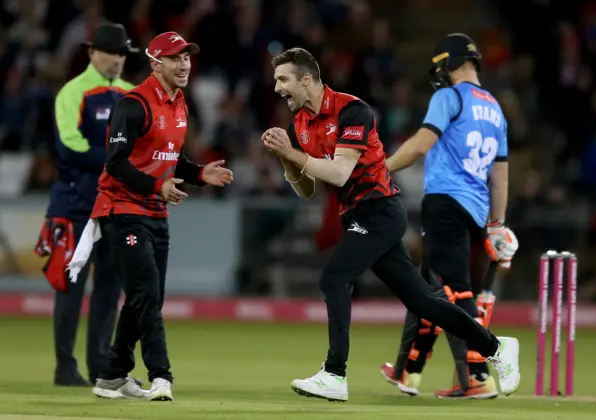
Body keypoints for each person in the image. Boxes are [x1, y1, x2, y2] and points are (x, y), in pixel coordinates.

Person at [261, 47, 520, 402]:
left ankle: (334, 373)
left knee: (334, 277)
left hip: (380, 210)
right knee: (422, 301)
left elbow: (339, 173)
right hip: (360, 214)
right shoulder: (301, 124)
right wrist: (286, 157)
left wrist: (292, 154)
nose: (277, 88)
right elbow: (306, 189)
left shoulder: (353, 110)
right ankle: (496, 347)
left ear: (307, 79)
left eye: (283, 79)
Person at [78, 31, 233, 401]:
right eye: (175, 58)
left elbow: (169, 156)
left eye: (187, 58)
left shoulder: (180, 103)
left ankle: (113, 374)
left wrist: (198, 174)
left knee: (146, 297)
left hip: (155, 210)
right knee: (146, 293)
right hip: (123, 210)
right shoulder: (133, 104)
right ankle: (161, 375)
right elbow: (115, 164)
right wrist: (157, 187)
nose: (184, 65)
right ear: (155, 63)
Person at [376, 33, 519, 399]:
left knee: (454, 293)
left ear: (456, 63)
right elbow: (500, 179)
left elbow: (420, 146)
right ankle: (408, 371)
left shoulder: (448, 97)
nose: (440, 75)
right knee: (425, 290)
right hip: (476, 208)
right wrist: (498, 224)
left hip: (445, 203)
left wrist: (380, 168)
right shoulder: (496, 110)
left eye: (443, 67)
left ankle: (478, 373)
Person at [34, 23, 137, 386]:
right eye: (110, 52)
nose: (116, 59)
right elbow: (68, 146)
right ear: (92, 53)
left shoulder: (130, 95)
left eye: (122, 53)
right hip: (76, 205)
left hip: (115, 205)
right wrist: (117, 160)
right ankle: (65, 367)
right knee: (69, 286)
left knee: (109, 290)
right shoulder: (73, 92)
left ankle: (99, 367)